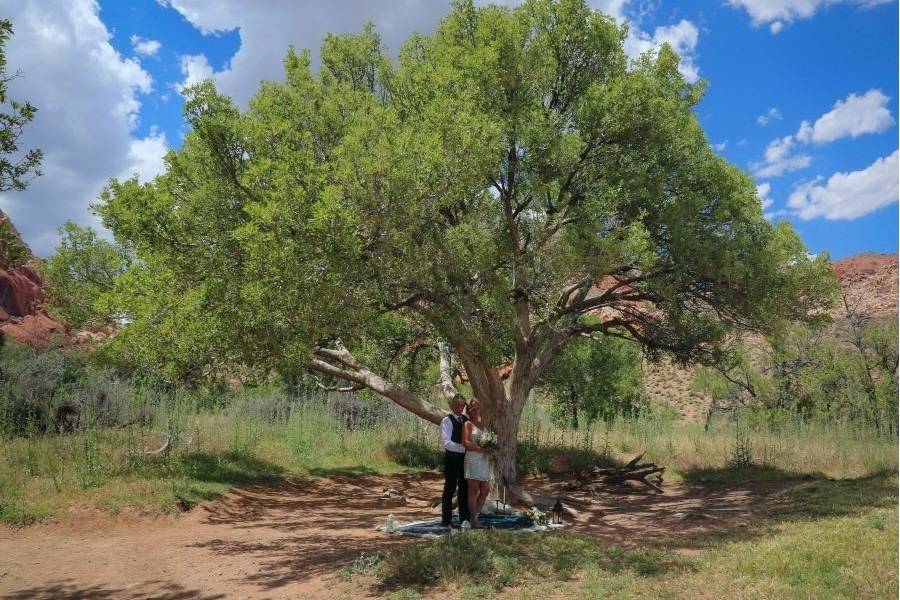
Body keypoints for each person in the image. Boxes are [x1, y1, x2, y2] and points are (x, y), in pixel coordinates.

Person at [439, 393, 470, 527]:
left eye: (461, 405)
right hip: (452, 458)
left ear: (464, 406)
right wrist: (464, 448)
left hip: (464, 460)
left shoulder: (466, 420)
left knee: (464, 488)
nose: (459, 407)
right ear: (452, 405)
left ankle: (464, 518)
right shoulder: (447, 420)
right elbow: (446, 443)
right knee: (450, 488)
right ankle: (446, 519)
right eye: (456, 405)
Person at [462, 399, 491, 528]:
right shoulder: (467, 424)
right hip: (473, 459)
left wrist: (490, 448)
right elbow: (466, 443)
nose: (475, 410)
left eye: (477, 407)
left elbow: (488, 442)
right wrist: (481, 449)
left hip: (483, 460)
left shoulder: (483, 425)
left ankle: (476, 516)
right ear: (468, 410)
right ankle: (474, 520)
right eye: (472, 408)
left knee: (485, 489)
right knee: (473, 490)